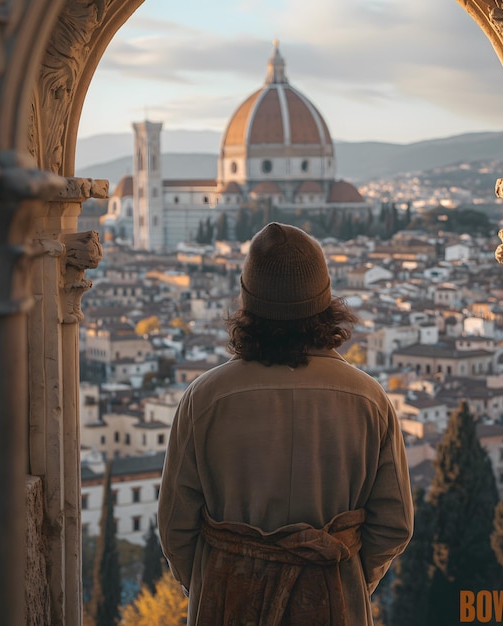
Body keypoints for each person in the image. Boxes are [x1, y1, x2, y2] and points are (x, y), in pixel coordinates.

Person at [158, 222, 413, 625]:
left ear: (247, 305)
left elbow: (176, 527)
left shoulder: (205, 398)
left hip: (228, 605)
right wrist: (345, 579)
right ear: (326, 304)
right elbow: (394, 523)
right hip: (335, 604)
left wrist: (215, 585)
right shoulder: (369, 398)